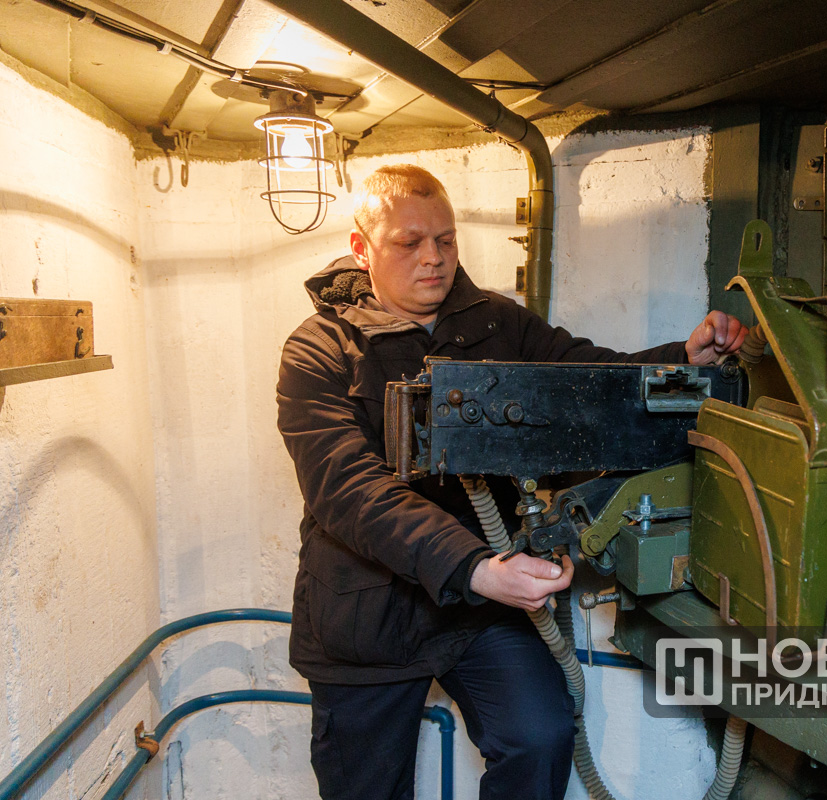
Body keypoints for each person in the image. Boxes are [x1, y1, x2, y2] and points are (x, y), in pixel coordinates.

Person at [276, 164, 746, 800]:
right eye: (409, 243)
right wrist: (473, 567)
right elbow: (347, 489)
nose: (433, 258)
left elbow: (588, 380)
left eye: (445, 240)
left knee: (540, 736)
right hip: (366, 613)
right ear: (362, 248)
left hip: (479, 605)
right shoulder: (319, 350)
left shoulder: (497, 323)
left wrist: (681, 362)